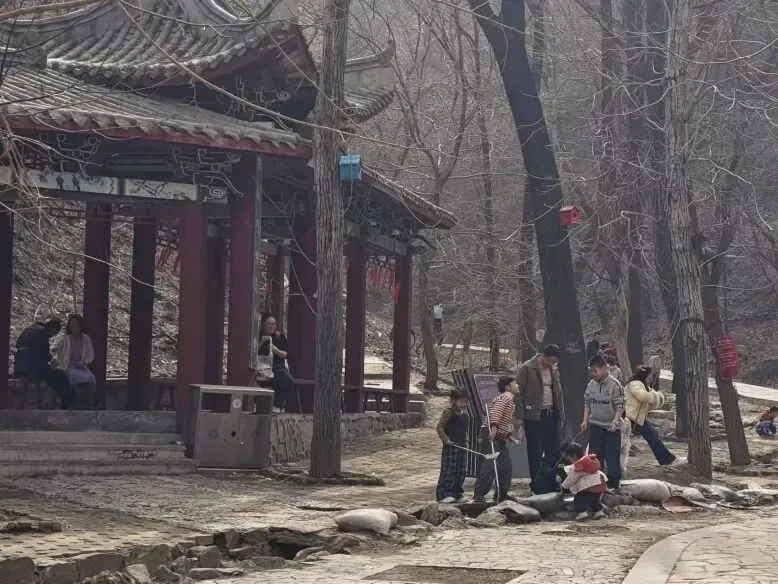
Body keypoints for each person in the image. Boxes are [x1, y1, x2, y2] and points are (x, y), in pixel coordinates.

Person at [516, 344, 565, 494]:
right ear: (543, 356)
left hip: (551, 413)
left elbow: (558, 393)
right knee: (535, 451)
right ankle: (536, 484)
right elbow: (518, 393)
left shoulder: (554, 370)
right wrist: (519, 416)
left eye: (554, 362)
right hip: (534, 415)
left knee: (553, 450)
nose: (551, 364)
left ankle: (551, 482)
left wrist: (561, 414)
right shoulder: (527, 368)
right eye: (549, 361)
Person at [625, 366, 685, 466]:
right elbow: (644, 396)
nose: (651, 378)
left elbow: (651, 399)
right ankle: (668, 460)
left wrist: (657, 396)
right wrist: (655, 395)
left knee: (653, 437)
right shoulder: (635, 384)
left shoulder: (642, 385)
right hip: (631, 418)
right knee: (653, 437)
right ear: (645, 376)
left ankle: (667, 460)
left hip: (636, 418)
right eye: (649, 376)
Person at [473, 376, 520, 503]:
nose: (517, 385)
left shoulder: (509, 400)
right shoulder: (505, 398)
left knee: (505, 465)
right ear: (507, 386)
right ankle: (479, 495)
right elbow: (495, 414)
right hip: (490, 434)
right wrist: (493, 430)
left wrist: (510, 437)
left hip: (499, 436)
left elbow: (503, 423)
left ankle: (501, 494)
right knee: (490, 465)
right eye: (515, 383)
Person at [581, 354, 624, 489]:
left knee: (611, 455)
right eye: (591, 371)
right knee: (595, 455)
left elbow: (620, 407)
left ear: (604, 368)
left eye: (595, 371)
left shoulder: (615, 385)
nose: (593, 374)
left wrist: (615, 421)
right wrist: (585, 420)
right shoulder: (591, 384)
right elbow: (587, 403)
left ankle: (614, 483)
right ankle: (596, 481)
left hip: (611, 427)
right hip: (596, 425)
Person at [13, 317, 75, 409]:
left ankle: (68, 400)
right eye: (54, 334)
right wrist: (52, 360)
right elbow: (46, 355)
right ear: (53, 329)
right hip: (32, 367)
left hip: (19, 365)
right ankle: (69, 402)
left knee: (53, 374)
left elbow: (19, 345)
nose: (52, 336)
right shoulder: (43, 332)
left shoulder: (31, 328)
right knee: (60, 375)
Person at [50, 314, 96, 409]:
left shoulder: (86, 339)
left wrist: (84, 362)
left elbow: (90, 355)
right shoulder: (63, 337)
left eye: (76, 324)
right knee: (75, 378)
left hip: (80, 366)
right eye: (72, 324)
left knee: (90, 378)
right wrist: (55, 350)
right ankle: (76, 403)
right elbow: (53, 347)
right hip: (67, 365)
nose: (74, 327)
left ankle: (88, 404)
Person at [435, 389, 470, 503]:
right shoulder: (448, 412)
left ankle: (457, 494)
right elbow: (439, 427)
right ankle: (444, 494)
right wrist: (446, 439)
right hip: (451, 447)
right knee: (449, 470)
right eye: (461, 402)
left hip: (462, 446)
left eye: (465, 402)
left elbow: (464, 430)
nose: (464, 404)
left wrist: (466, 440)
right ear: (454, 400)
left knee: (461, 470)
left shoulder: (465, 414)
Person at [257, 314, 293, 413]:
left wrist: (274, 349)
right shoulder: (257, 335)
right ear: (263, 325)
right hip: (260, 365)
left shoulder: (279, 336)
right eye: (269, 324)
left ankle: (277, 404)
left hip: (277, 365)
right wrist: (261, 343)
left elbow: (285, 354)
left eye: (273, 324)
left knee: (287, 379)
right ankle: (260, 404)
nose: (271, 327)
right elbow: (252, 352)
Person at [561, 444, 608, 521]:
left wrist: (564, 486)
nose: (569, 460)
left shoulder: (578, 465)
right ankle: (598, 512)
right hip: (600, 484)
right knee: (594, 500)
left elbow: (571, 478)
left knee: (579, 499)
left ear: (574, 456)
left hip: (589, 486)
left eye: (569, 458)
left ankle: (582, 513)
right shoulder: (590, 460)